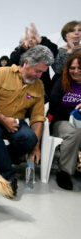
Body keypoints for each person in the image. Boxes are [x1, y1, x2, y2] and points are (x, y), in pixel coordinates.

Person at [0, 45, 54, 196]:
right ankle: (8, 178)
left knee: (30, 138)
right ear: (26, 63)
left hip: (17, 121)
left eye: (42, 72)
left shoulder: (39, 86)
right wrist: (4, 120)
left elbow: (37, 117)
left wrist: (36, 146)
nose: (39, 76)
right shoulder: (1, 73)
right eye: (37, 71)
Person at [49, 51, 81, 190]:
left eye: (80, 68)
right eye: (72, 68)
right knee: (76, 132)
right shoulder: (61, 82)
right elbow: (53, 107)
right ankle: (64, 172)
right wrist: (75, 112)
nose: (76, 71)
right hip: (62, 122)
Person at [10, 23, 58, 101]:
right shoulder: (18, 52)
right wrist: (23, 48)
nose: (31, 40)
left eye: (34, 38)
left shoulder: (43, 52)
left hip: (42, 91)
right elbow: (13, 62)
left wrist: (41, 39)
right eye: (28, 39)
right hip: (23, 92)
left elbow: (54, 51)